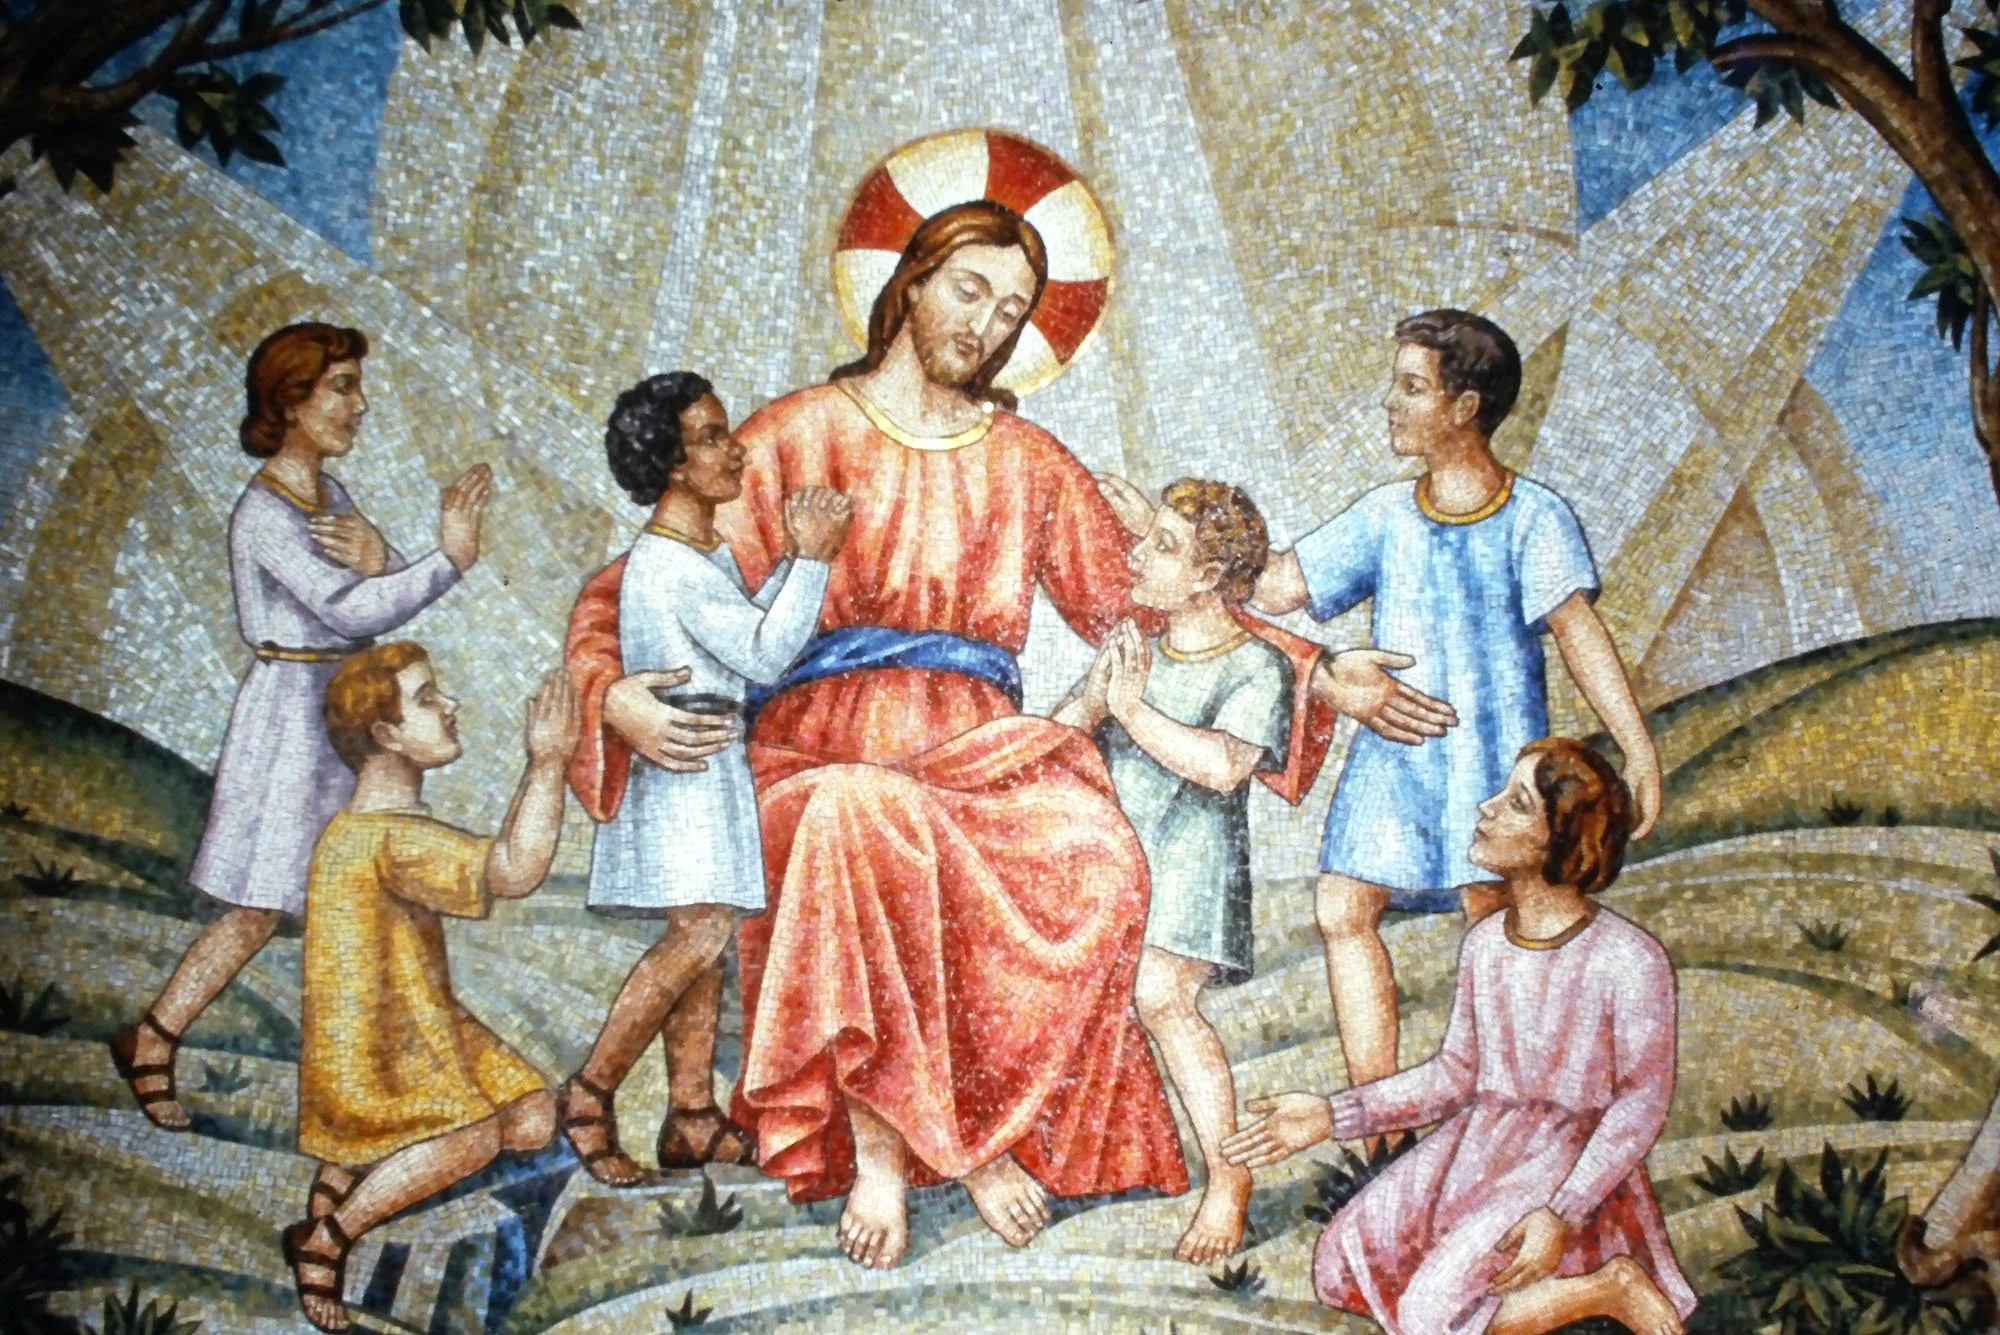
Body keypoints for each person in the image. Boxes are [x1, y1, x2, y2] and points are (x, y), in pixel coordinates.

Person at [1245, 309, 1661, 1109]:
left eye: (1411, 387)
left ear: (1465, 406)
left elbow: (1578, 631)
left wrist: (1637, 747)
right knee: (1343, 907)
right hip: (1395, 751)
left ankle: (1503, 1106)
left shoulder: (1534, 516)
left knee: (1491, 917)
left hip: (1490, 756)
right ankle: (1376, 1116)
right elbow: (1280, 585)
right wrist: (1201, 537)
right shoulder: (1385, 513)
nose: (1389, 403)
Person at [110, 322, 491, 1132]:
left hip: (344, 705)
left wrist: (385, 556)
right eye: (341, 388)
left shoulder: (330, 496)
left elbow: (371, 597)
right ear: (291, 401)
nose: (360, 404)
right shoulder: (264, 513)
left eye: (357, 387)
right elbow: (345, 608)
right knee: (263, 904)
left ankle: (377, 1080)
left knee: (361, 893)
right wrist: (447, 559)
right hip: (291, 716)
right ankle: (155, 1035)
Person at [1222, 738, 1694, 1335]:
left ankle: (1609, 1287)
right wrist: (1329, 1115)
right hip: (1481, 1145)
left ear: (1562, 838)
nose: (1486, 807)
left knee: (1428, 1317)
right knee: (1340, 1266)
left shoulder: (1629, 957)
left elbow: (1640, 1104)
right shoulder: (1488, 943)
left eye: (1517, 803)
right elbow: (1455, 1075)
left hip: (1565, 1164)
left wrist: (1564, 1210)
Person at [558, 371, 850, 1186]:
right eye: (713, 437)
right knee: (698, 934)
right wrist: (811, 561)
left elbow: (741, 633)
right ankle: (589, 1092)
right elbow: (763, 652)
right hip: (682, 759)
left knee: (705, 935)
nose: (737, 450)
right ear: (674, 463)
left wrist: (790, 566)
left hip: (707, 756)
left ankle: (690, 1114)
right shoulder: (668, 565)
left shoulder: (698, 553)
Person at [280, 645, 580, 1332]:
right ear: (385, 734)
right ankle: (327, 1239)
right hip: (375, 1051)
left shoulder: (363, 828)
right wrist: (548, 762)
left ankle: (342, 1178)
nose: (450, 705)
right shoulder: (391, 838)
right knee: (474, 1139)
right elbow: (514, 870)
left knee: (532, 1116)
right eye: (426, 698)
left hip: (416, 1023)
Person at [1052, 479, 1292, 1265]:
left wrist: (1130, 709)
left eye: (1161, 545)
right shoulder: (1137, 653)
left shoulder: (1257, 665)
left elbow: (1222, 766)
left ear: (1208, 575)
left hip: (1190, 865)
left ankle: (1229, 1178)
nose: (1135, 555)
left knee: (1162, 997)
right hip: (1110, 863)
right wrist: (1093, 702)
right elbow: (1060, 731)